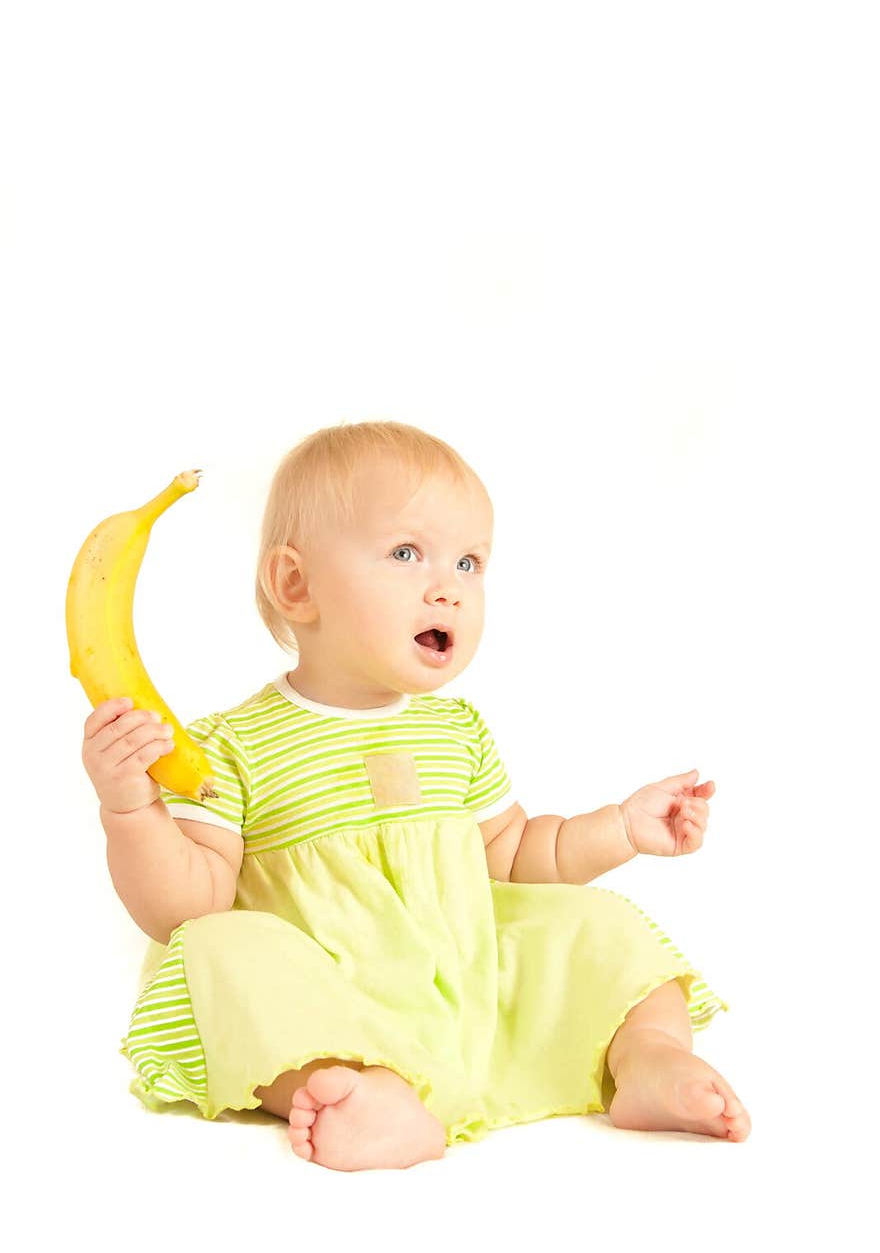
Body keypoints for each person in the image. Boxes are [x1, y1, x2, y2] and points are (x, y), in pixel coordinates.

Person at [82, 420, 751, 1172]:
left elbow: (516, 856)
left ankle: (645, 1055)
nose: (449, 588)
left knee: (595, 922)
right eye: (407, 553)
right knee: (218, 947)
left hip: (471, 993)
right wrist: (132, 810)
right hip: (332, 1002)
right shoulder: (229, 746)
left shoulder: (456, 729)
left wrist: (621, 828)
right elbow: (187, 905)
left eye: (470, 562)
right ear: (296, 585)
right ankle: (361, 1090)